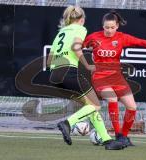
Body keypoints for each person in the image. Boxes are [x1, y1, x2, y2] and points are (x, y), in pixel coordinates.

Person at [83, 10, 146, 147]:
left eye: (112, 27)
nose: (109, 30)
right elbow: (77, 48)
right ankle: (117, 136)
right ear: (102, 26)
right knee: (112, 98)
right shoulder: (94, 37)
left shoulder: (121, 37)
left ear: (117, 26)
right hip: (100, 77)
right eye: (106, 27)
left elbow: (141, 42)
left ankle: (124, 137)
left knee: (132, 107)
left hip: (117, 77)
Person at [46, 6, 123, 150]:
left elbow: (49, 60)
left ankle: (107, 140)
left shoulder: (61, 31)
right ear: (82, 20)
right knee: (95, 105)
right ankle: (67, 123)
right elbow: (76, 48)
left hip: (55, 75)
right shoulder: (80, 29)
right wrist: (87, 65)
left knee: (90, 106)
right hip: (68, 72)